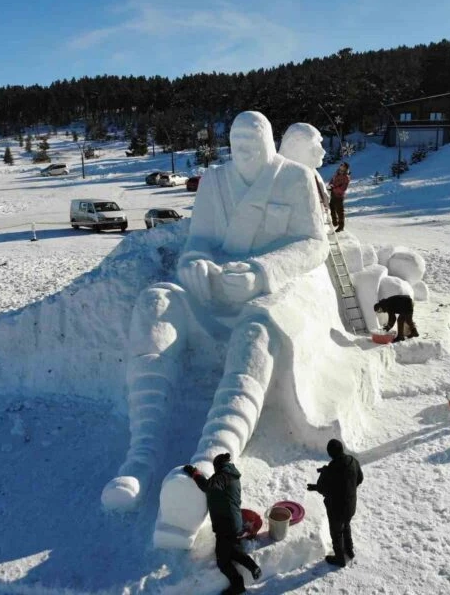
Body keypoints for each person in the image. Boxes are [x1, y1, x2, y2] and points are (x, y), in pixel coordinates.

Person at [101, 111, 329, 549]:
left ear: (267, 139)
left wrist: (264, 271)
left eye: (252, 138)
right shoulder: (215, 182)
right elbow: (199, 240)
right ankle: (140, 457)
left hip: (264, 290)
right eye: (235, 138)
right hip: (212, 292)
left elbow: (313, 243)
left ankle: (208, 463)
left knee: (259, 324)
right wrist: (194, 264)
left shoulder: (296, 178)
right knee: (157, 300)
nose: (243, 147)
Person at [184, 453, 261, 595]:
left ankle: (238, 586)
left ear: (218, 466)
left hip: (226, 525)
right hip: (233, 523)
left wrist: (195, 473)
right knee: (230, 550)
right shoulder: (231, 475)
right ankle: (253, 567)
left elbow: (208, 486)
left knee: (222, 561)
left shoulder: (223, 476)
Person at [307, 439, 363, 567]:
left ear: (330, 454)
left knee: (336, 533)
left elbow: (322, 488)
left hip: (336, 509)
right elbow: (360, 478)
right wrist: (349, 488)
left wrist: (320, 480)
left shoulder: (330, 470)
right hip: (350, 505)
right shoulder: (353, 461)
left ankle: (339, 559)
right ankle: (349, 550)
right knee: (346, 526)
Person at [279, 122, 329, 210]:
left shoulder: (313, 173)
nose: (322, 152)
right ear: (294, 148)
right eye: (314, 148)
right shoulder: (283, 182)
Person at [328, 161, 350, 232]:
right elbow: (332, 181)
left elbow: (343, 188)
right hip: (333, 194)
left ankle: (341, 226)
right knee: (331, 207)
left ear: (345, 168)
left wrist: (334, 188)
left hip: (339, 196)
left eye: (343, 166)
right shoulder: (336, 174)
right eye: (341, 166)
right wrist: (330, 185)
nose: (341, 167)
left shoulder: (346, 177)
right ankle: (335, 222)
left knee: (340, 211)